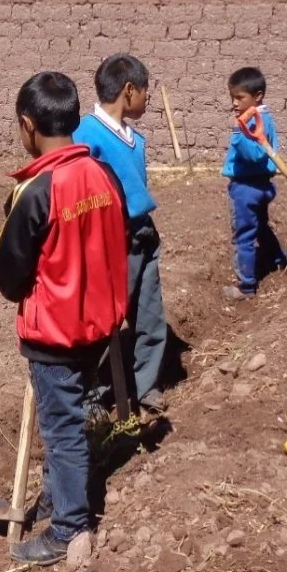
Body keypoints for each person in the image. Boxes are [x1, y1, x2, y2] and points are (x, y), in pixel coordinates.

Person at [0, 71, 128, 565]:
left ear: (28, 125)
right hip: (98, 325)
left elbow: (8, 279)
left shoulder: (36, 190)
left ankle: (68, 528)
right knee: (70, 414)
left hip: (54, 332)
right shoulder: (103, 174)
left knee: (63, 426)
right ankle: (56, 491)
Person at [72, 54, 167, 411]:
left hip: (143, 234)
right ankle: (91, 396)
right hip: (111, 242)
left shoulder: (135, 139)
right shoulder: (86, 137)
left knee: (150, 315)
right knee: (102, 321)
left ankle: (146, 387)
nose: (147, 99)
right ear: (129, 91)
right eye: (145, 92)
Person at [222, 68, 287, 300]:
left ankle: (246, 287)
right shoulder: (264, 117)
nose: (234, 103)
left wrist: (237, 133)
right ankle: (280, 260)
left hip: (245, 188)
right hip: (262, 185)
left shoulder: (251, 122)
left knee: (244, 236)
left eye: (240, 98)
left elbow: (255, 155)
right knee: (261, 227)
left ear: (257, 95)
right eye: (232, 97)